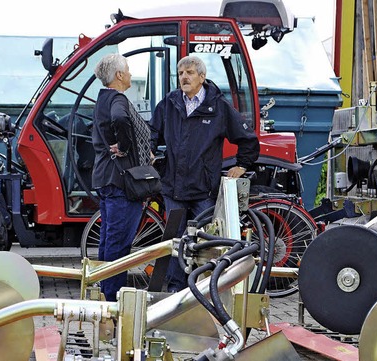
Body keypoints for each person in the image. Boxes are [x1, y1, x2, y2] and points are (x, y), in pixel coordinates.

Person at [150, 55, 260, 292]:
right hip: (174, 188)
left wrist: (242, 165)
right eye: (181, 74)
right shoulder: (168, 104)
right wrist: (149, 150)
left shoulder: (218, 107)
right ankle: (175, 291)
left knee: (207, 241)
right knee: (176, 242)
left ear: (202, 77)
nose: (184, 77)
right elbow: (152, 132)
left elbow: (248, 139)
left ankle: (204, 290)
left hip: (203, 190)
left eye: (189, 73)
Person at [92, 54, 151, 301]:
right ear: (118, 75)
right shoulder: (117, 98)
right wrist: (125, 146)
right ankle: (112, 300)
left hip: (106, 178)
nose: (129, 73)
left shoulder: (102, 98)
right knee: (118, 244)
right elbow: (120, 118)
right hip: (120, 181)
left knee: (108, 240)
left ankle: (104, 293)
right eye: (126, 69)